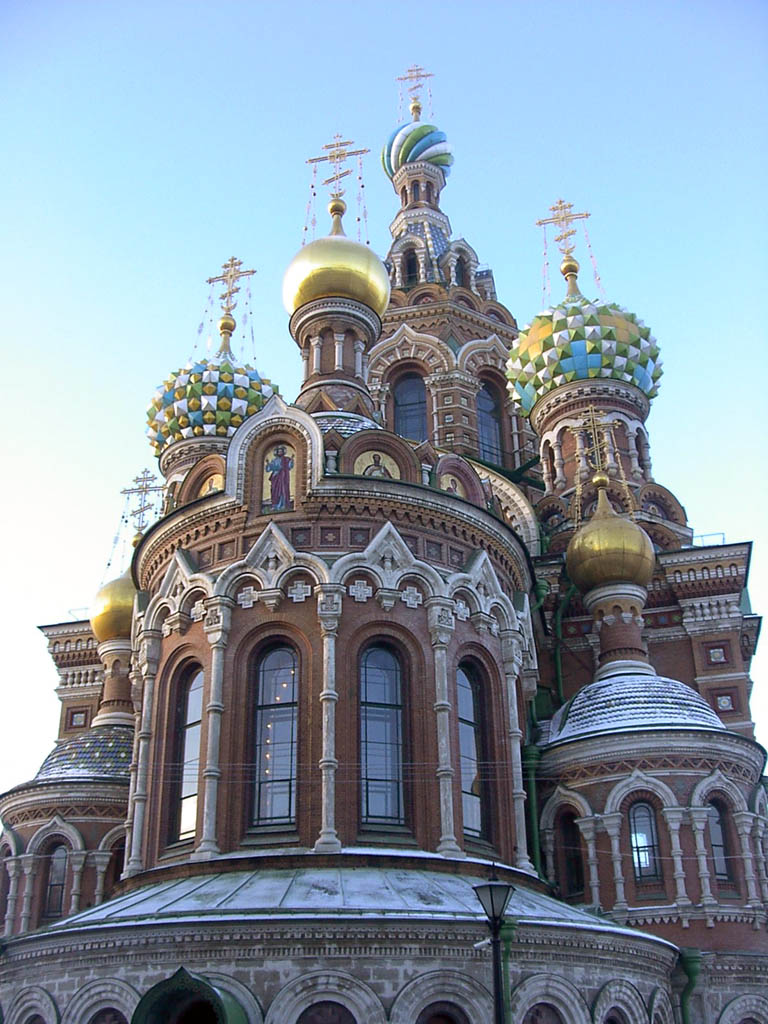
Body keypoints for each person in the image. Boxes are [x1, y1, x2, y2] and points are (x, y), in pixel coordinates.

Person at [265, 445, 294, 510]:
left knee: (282, 490)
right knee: (274, 491)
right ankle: (274, 505)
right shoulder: (274, 460)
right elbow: (269, 469)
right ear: (277, 452)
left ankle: (283, 504)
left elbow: (289, 466)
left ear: (283, 452)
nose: (280, 452)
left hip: (283, 477)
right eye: (279, 451)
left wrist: (291, 460)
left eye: (281, 451)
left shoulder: (286, 459)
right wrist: (268, 464)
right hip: (275, 477)